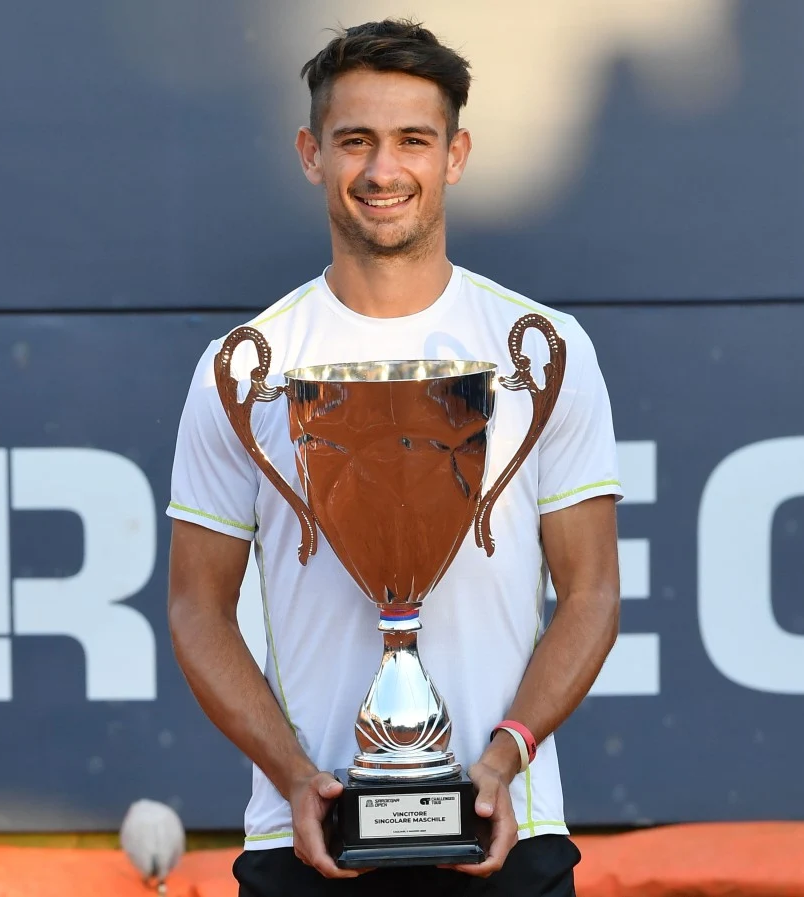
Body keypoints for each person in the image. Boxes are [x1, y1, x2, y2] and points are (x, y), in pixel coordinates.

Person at [166, 18, 623, 897]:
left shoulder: (541, 349)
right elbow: (197, 608)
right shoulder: (246, 367)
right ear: (311, 153)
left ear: (455, 155)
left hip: (504, 829)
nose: (383, 171)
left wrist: (503, 758)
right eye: (355, 142)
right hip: (302, 837)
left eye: (413, 140)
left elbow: (592, 590)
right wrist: (296, 777)